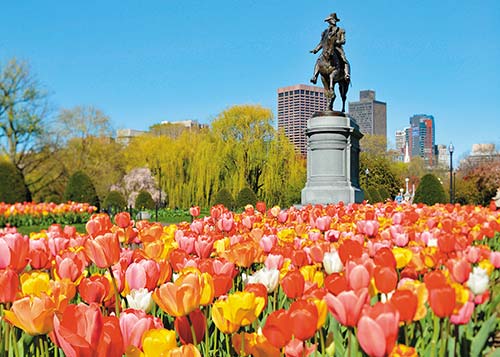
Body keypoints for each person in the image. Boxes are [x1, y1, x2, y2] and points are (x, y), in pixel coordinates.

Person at [310, 12, 350, 84]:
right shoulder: (325, 32)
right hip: (326, 49)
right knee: (319, 60)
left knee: (344, 60)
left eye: (333, 19)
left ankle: (346, 74)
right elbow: (321, 43)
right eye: (331, 20)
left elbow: (343, 41)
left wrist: (337, 42)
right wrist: (315, 49)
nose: (332, 21)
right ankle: (315, 76)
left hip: (337, 48)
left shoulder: (340, 30)